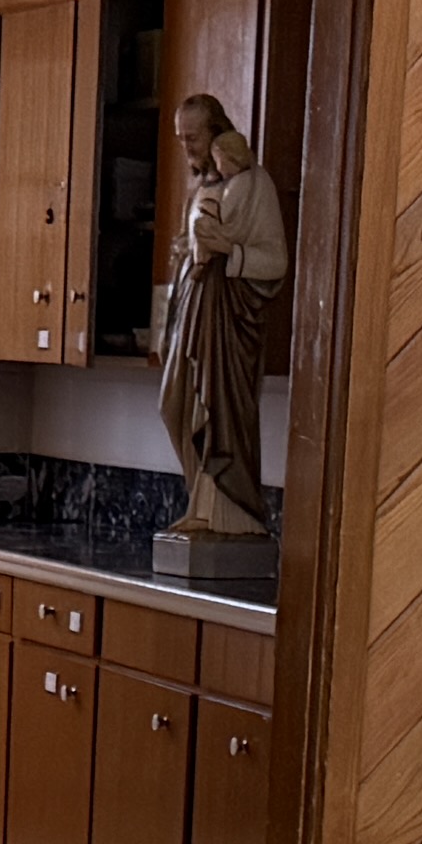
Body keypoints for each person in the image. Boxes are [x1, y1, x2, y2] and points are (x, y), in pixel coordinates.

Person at [150, 87, 286, 551]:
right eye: (180, 138)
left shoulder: (254, 185)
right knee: (174, 406)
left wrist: (229, 250)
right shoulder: (206, 186)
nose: (186, 146)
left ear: (217, 133)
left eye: (193, 137)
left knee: (220, 411)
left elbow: (276, 261)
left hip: (230, 320)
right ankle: (199, 505)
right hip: (194, 307)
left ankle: (228, 515)